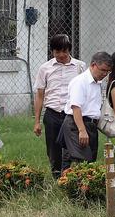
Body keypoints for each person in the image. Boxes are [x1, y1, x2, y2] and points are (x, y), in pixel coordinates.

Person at [32, 35, 86, 177]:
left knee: (71, 147)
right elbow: (39, 95)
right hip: (52, 113)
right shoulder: (45, 68)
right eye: (57, 52)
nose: (61, 55)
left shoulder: (80, 66)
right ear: (52, 52)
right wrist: (37, 121)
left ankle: (70, 175)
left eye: (64, 51)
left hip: (71, 114)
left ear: (69, 50)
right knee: (53, 148)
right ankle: (56, 174)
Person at [60, 52, 112, 167]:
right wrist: (82, 131)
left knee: (90, 160)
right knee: (82, 161)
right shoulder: (80, 82)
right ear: (93, 65)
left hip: (91, 125)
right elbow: (76, 107)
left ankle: (71, 183)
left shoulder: (97, 83)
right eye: (103, 70)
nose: (105, 74)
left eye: (108, 72)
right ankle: (73, 184)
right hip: (76, 124)